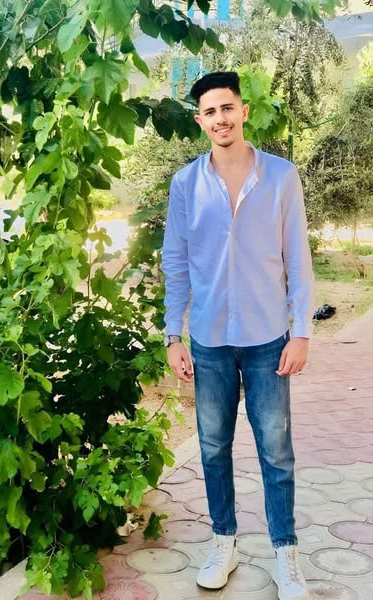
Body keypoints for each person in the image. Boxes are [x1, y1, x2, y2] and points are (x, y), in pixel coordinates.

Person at [162, 71, 314, 600]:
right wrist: (173, 335)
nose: (220, 119)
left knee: (276, 452)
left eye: (227, 108)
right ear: (199, 120)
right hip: (208, 339)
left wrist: (301, 331)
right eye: (210, 111)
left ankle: (286, 556)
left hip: (268, 336)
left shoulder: (281, 176)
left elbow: (298, 257)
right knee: (212, 448)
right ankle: (222, 543)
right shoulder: (185, 184)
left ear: (243, 111)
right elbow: (176, 262)